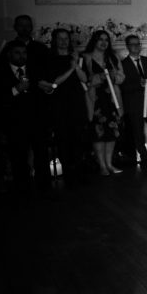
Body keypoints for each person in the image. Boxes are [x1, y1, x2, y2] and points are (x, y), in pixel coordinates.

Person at [0, 40, 51, 192]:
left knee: (41, 156)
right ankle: (24, 191)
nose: (21, 56)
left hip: (37, 120)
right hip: (15, 123)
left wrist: (48, 89)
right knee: (19, 158)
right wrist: (16, 89)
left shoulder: (35, 70)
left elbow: (45, 93)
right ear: (9, 54)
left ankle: (45, 189)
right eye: (17, 53)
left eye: (24, 53)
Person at [37, 28, 88, 184]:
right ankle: (68, 173)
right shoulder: (50, 59)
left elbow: (84, 79)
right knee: (63, 138)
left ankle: (79, 171)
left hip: (76, 102)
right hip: (59, 103)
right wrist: (71, 68)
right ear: (55, 40)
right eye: (60, 38)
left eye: (66, 38)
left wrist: (77, 65)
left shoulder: (75, 57)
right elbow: (54, 83)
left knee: (78, 137)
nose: (64, 41)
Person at [82, 30, 125, 176]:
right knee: (98, 133)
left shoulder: (112, 57)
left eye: (106, 40)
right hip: (96, 100)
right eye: (100, 39)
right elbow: (83, 80)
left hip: (111, 98)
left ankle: (109, 163)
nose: (103, 42)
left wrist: (114, 77)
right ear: (94, 40)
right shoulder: (86, 58)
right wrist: (98, 78)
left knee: (112, 131)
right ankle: (101, 165)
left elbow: (121, 77)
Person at [120, 35, 147, 166]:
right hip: (134, 103)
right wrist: (138, 84)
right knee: (137, 130)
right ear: (127, 47)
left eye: (138, 44)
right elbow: (123, 86)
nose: (136, 47)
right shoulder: (123, 65)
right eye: (132, 44)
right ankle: (143, 156)